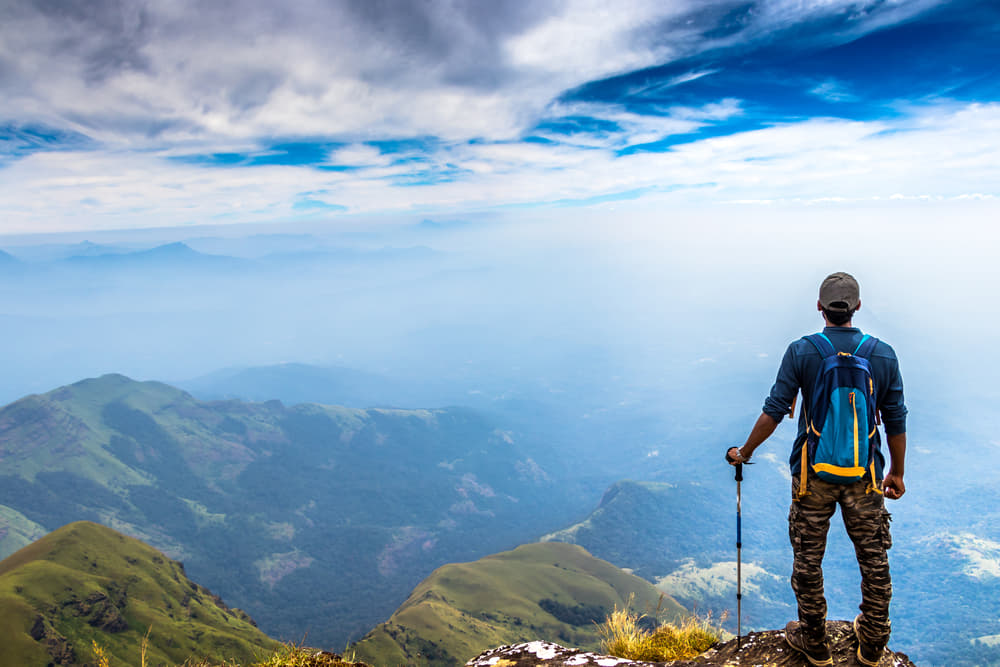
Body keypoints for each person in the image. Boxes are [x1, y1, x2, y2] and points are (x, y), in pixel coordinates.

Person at [727, 272, 907, 667]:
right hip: (866, 477)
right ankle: (873, 645)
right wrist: (897, 471)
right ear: (857, 307)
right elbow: (895, 418)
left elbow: (775, 410)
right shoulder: (883, 353)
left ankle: (816, 643)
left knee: (808, 561)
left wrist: (744, 452)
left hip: (812, 477)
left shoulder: (802, 351)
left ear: (820, 307)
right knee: (874, 559)